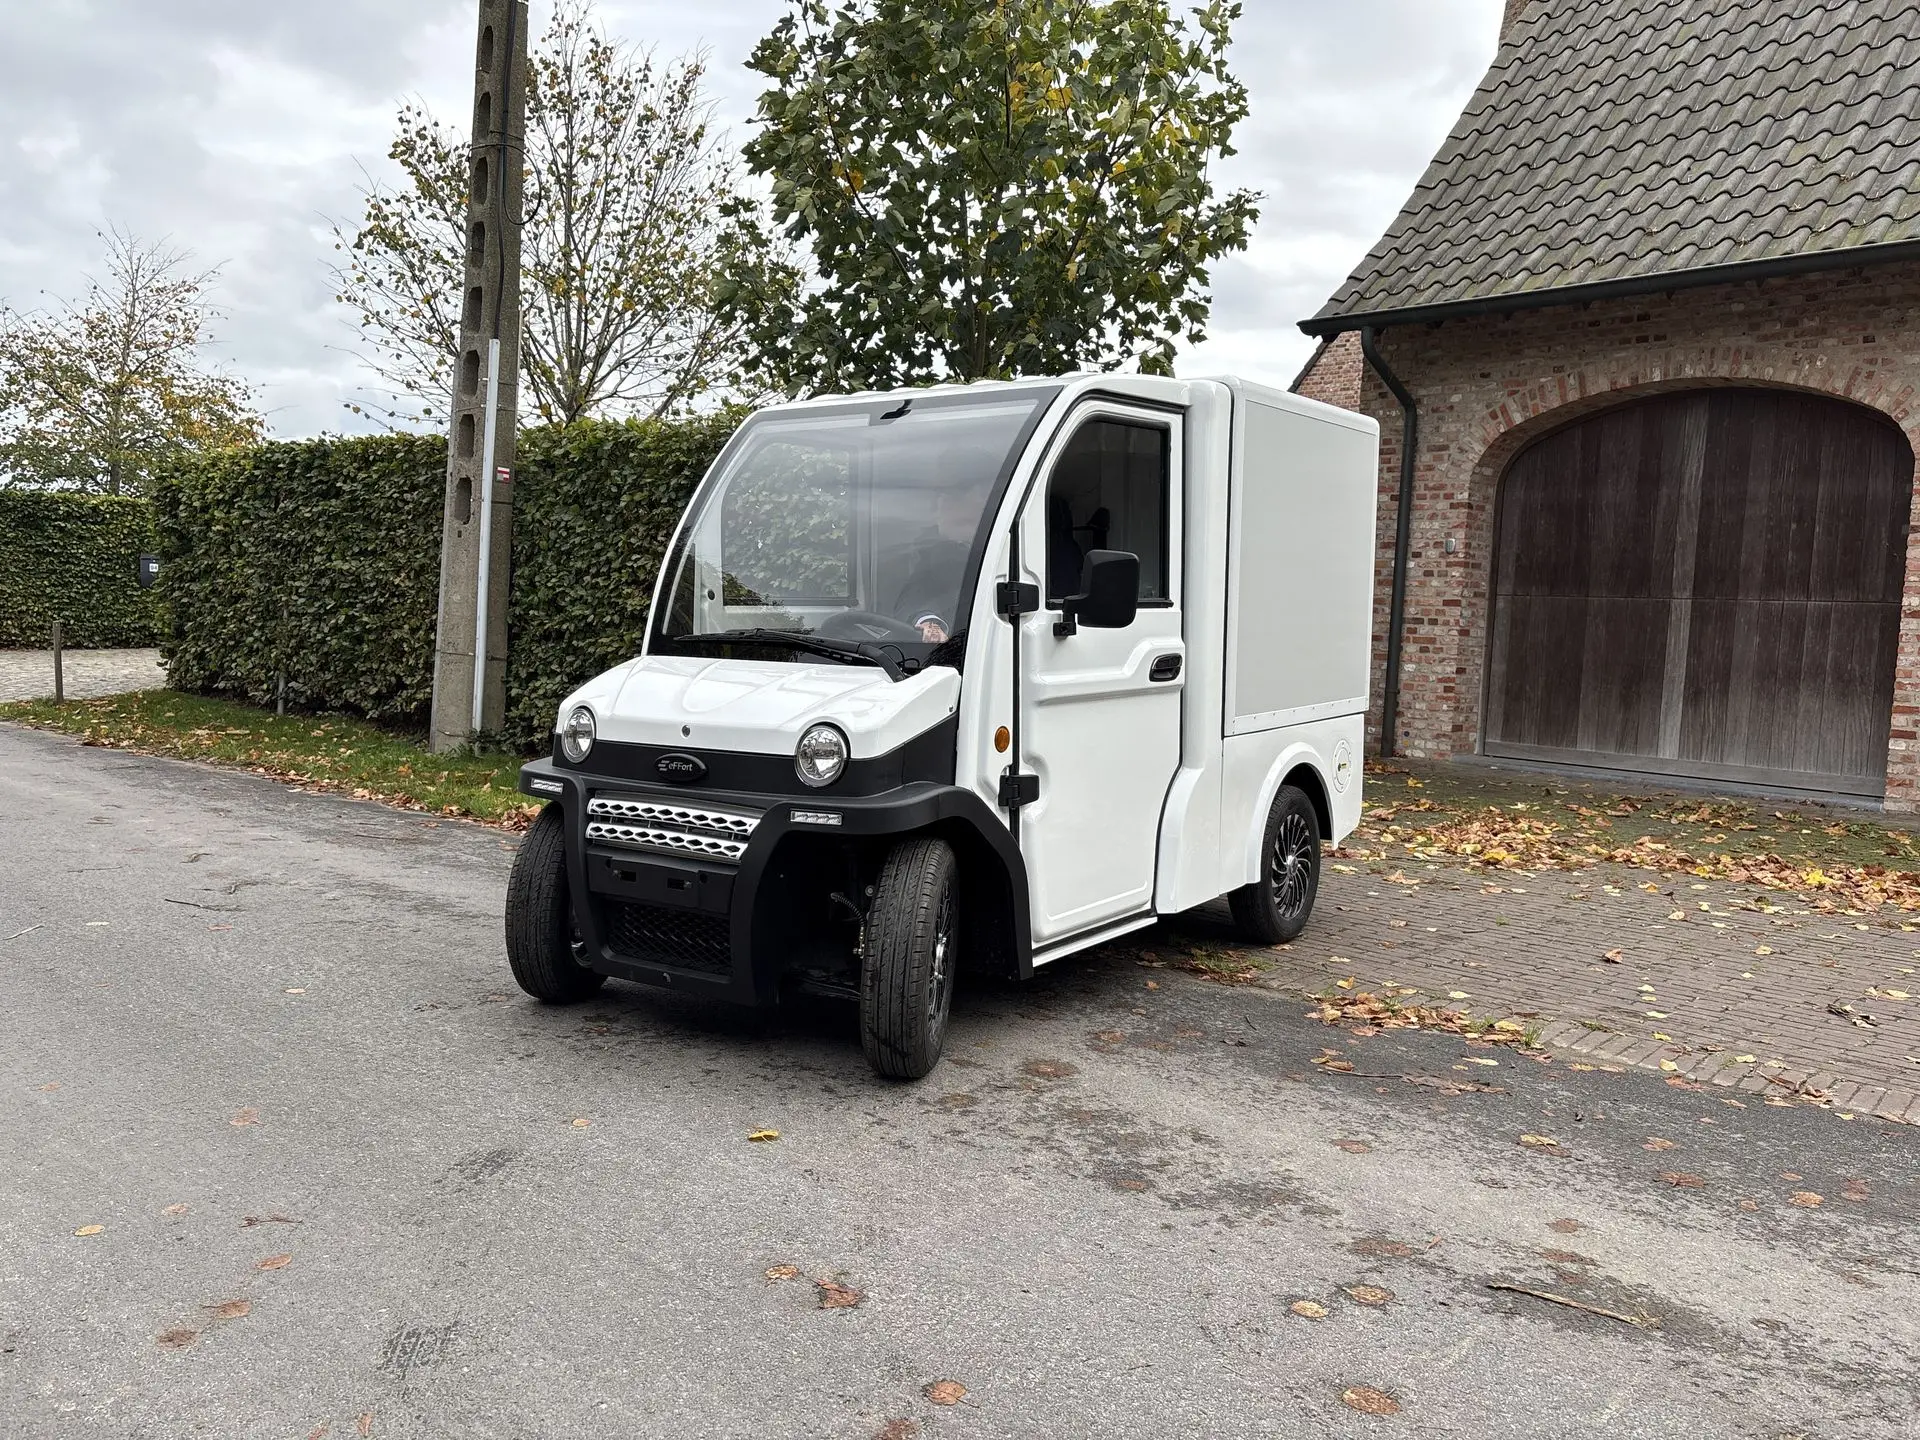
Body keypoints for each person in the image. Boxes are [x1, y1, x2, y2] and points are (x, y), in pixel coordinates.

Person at [892, 482, 985, 644]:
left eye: (955, 498)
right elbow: (915, 595)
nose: (942, 510)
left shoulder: (1013, 545)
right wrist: (928, 622)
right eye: (941, 503)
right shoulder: (932, 555)